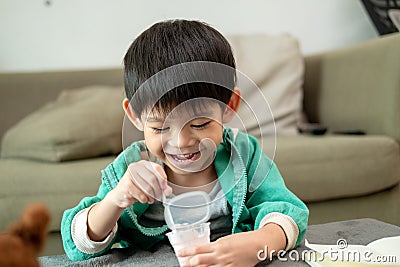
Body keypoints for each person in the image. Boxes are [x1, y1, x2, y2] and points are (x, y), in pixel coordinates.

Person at [61, 19, 309, 266]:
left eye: (200, 124)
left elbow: (286, 210)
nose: (181, 142)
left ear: (229, 106)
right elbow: (80, 246)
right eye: (160, 127)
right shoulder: (130, 169)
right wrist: (116, 199)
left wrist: (259, 243)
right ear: (135, 116)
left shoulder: (244, 154)